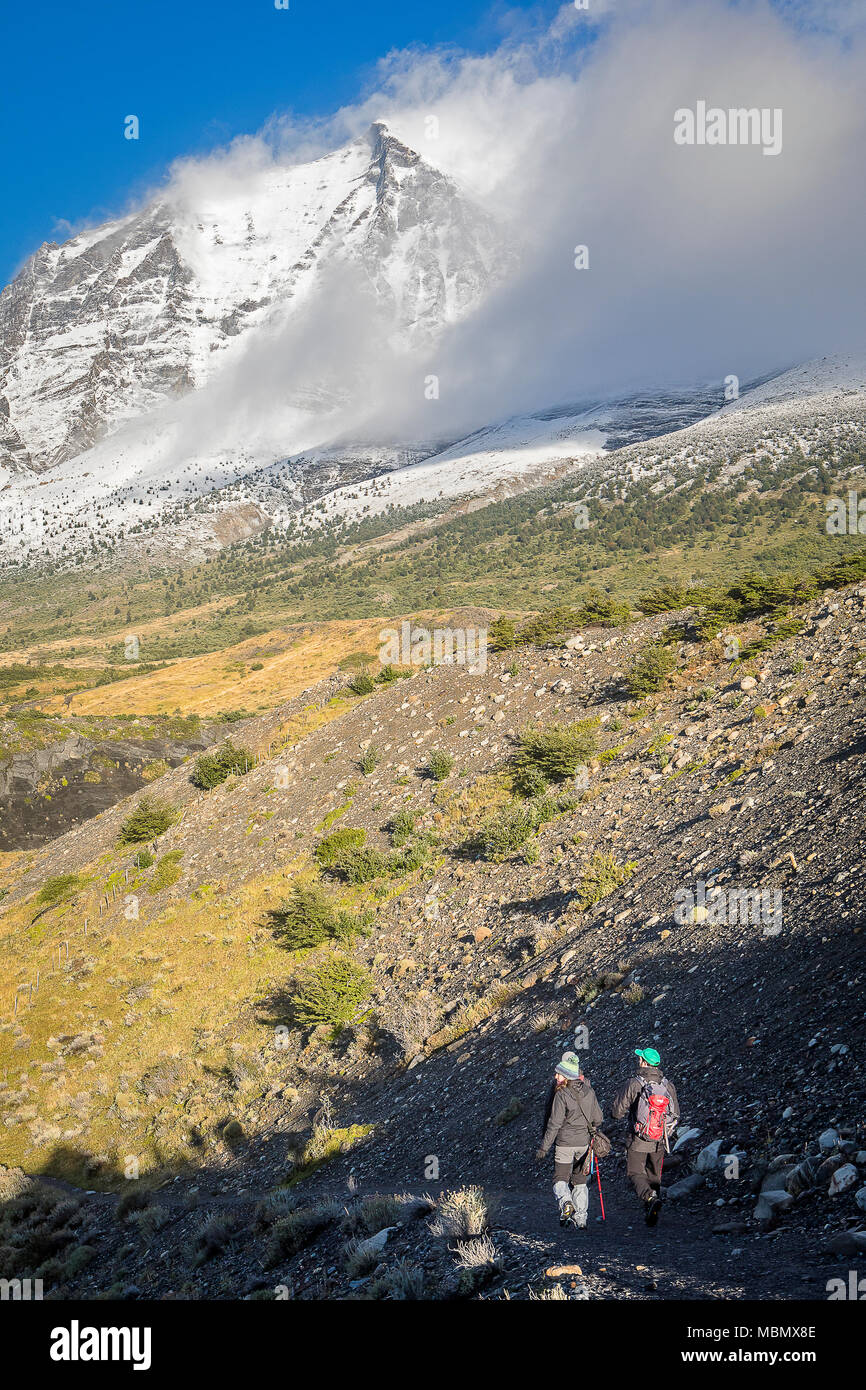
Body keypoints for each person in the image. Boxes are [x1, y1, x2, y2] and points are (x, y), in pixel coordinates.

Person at [611, 1046, 679, 1226]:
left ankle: (650, 1198)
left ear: (644, 1062)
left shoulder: (635, 1083)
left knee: (635, 1172)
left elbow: (617, 1112)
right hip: (660, 1140)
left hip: (638, 1138)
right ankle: (652, 1214)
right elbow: (676, 1114)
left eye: (640, 1058)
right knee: (654, 1176)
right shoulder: (667, 1085)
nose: (638, 1060)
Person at [535, 1052, 603, 1229]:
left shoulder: (561, 1094)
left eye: (558, 1073)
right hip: (584, 1144)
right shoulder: (589, 1091)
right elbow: (598, 1118)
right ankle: (581, 1219)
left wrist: (544, 1147)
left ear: (565, 1075)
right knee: (580, 1181)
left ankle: (566, 1202)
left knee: (560, 1179)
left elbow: (554, 1123)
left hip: (564, 1144)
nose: (555, 1076)